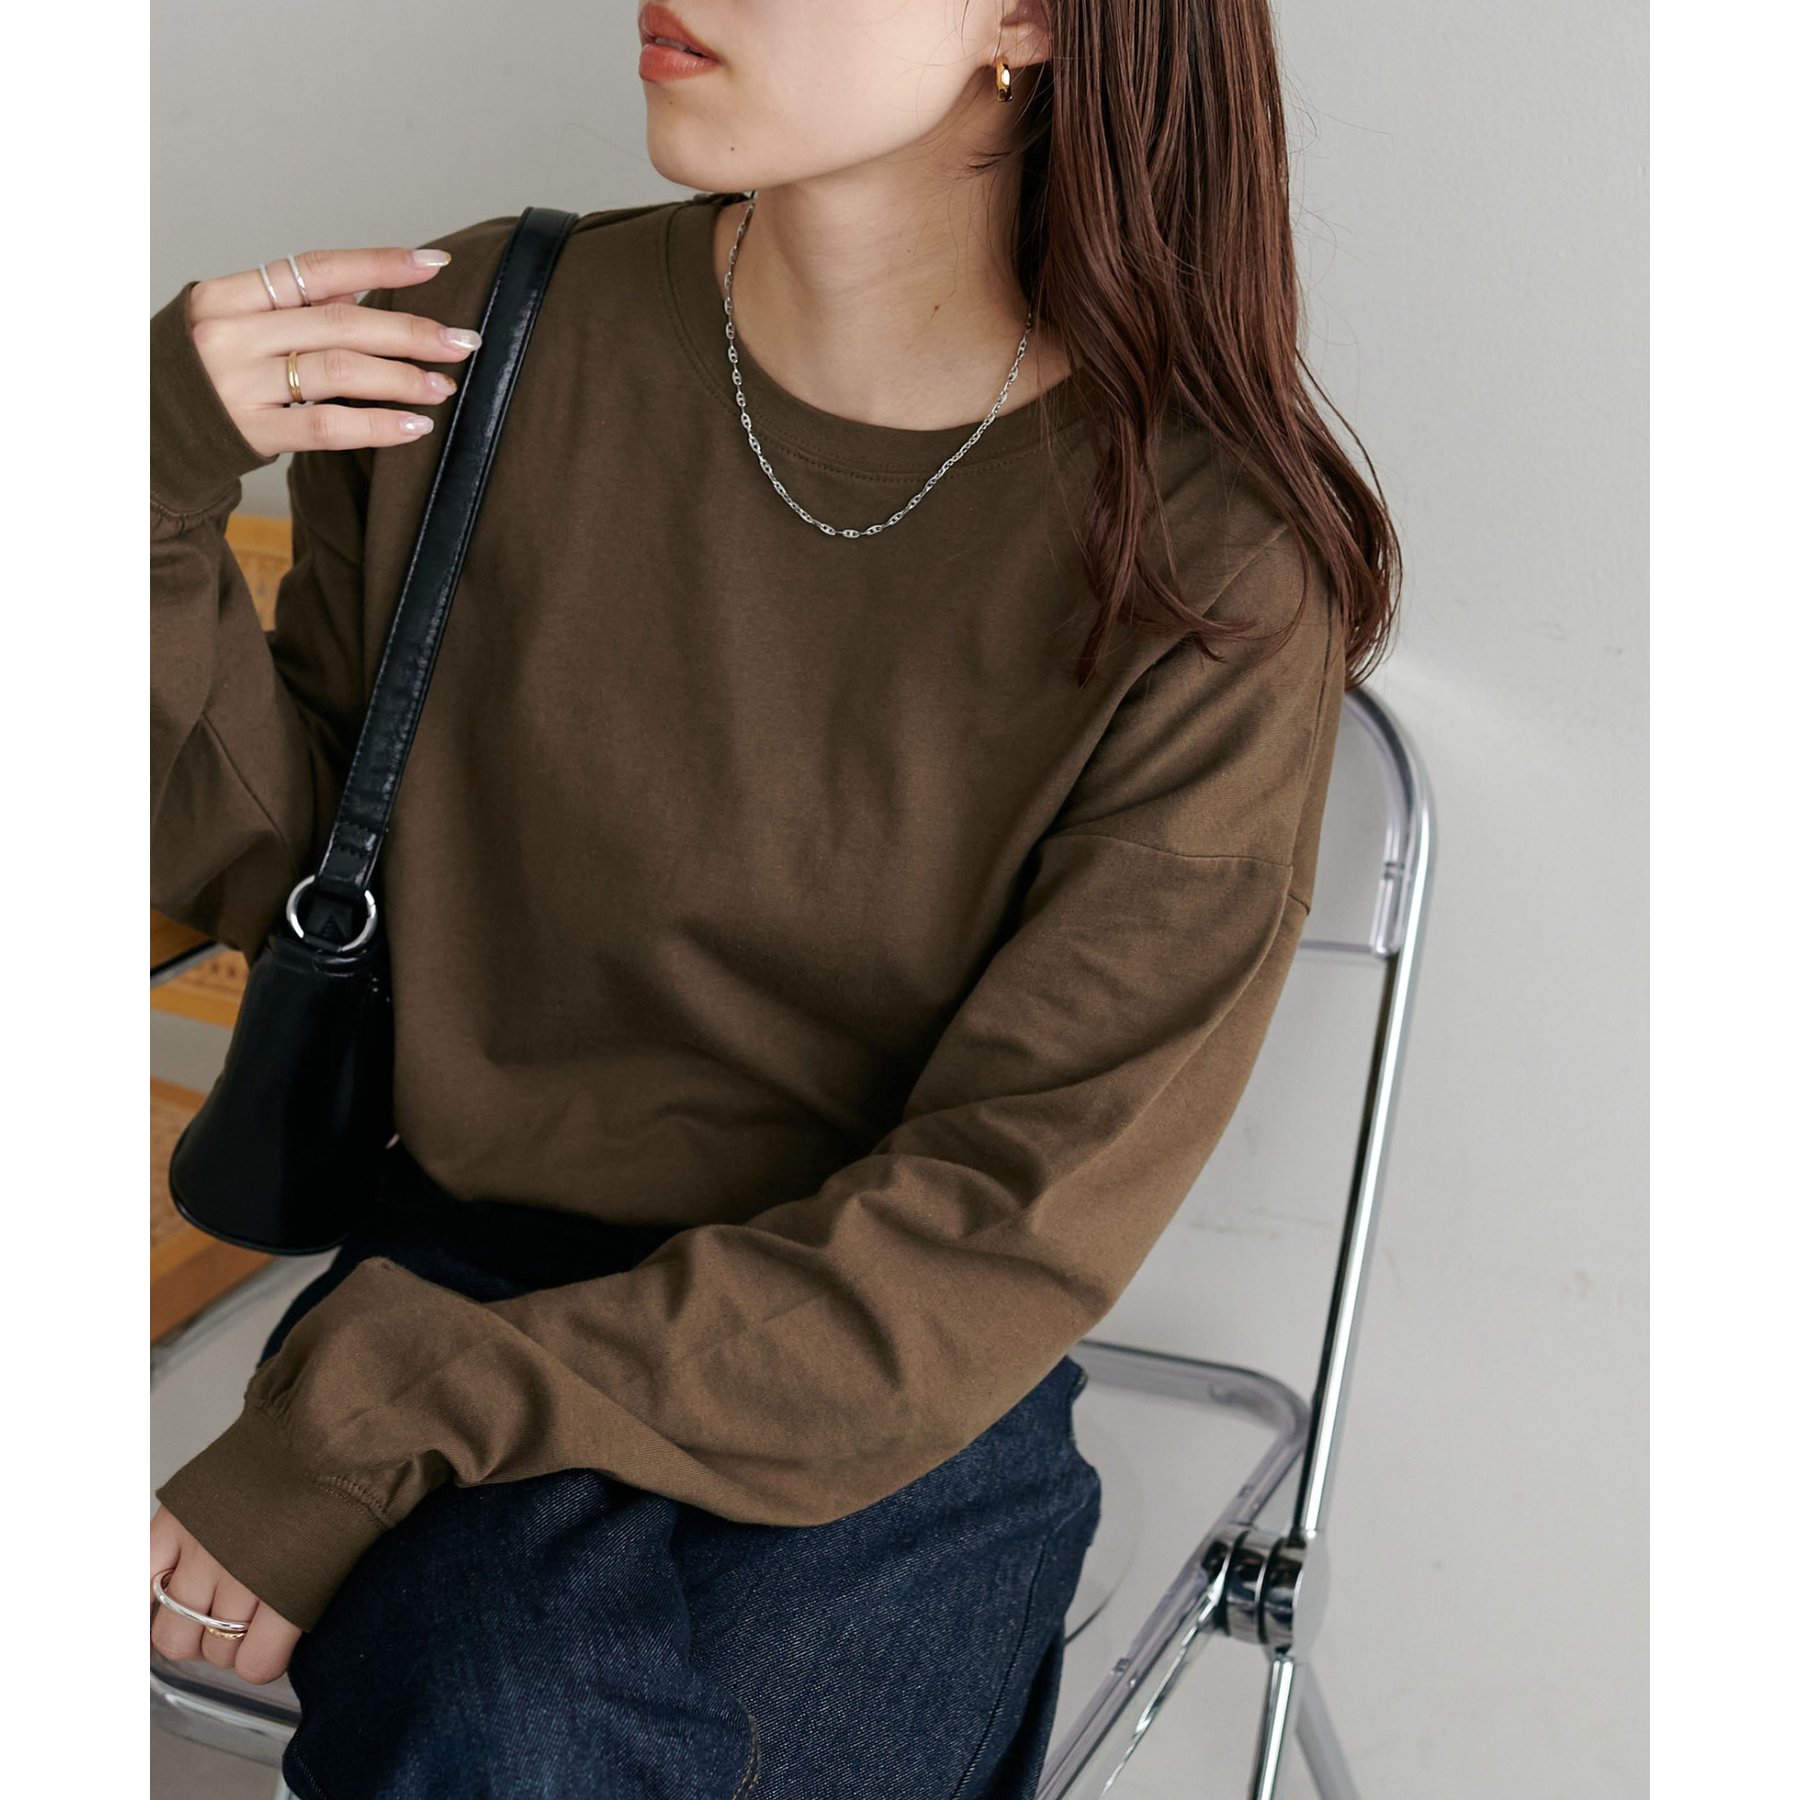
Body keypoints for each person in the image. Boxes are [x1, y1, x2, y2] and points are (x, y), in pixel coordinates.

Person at [148, 3, 1400, 1795]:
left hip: (888, 1368)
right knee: (515, 1726)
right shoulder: (482, 342)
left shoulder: (1210, 566)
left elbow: (1002, 1220)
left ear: (1027, 19)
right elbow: (281, 877)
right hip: (464, 1275)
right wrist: (131, 469)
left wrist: (389, 1414)